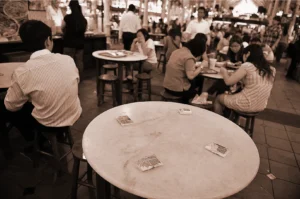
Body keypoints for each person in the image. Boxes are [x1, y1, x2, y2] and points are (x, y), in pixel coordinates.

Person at [0, 20, 82, 157]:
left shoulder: (23, 72)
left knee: (6, 107)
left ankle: (33, 140)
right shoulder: (68, 59)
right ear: (48, 41)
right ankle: (55, 135)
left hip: (48, 122)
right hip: (73, 113)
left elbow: (10, 106)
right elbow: (76, 81)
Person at [214, 44, 276, 115]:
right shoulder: (272, 69)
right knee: (231, 94)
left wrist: (224, 71)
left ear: (248, 53)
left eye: (244, 54)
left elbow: (228, 82)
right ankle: (231, 119)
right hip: (261, 105)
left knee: (219, 98)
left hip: (246, 104)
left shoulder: (247, 65)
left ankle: (219, 122)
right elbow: (254, 82)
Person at [163, 33, 209, 104]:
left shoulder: (177, 51)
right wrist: (201, 66)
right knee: (195, 86)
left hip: (166, 85)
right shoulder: (189, 57)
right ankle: (187, 104)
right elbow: (190, 76)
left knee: (196, 81)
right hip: (176, 90)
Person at [62, 0, 87, 78]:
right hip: (80, 43)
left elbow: (62, 28)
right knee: (79, 61)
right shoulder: (83, 19)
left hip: (69, 43)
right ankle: (79, 77)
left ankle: (69, 78)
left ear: (70, 7)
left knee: (68, 61)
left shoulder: (67, 17)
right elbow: (85, 30)